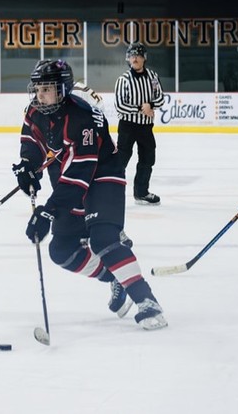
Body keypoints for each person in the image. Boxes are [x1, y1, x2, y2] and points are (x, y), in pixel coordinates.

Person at [12, 59, 167, 331]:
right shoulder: (35, 110)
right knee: (61, 250)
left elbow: (80, 174)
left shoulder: (82, 116)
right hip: (69, 177)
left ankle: (146, 301)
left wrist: (49, 211)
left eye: (46, 89)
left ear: (62, 89)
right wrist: (27, 166)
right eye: (37, 89)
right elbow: (32, 141)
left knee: (103, 238)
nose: (39, 95)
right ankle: (116, 277)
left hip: (103, 175)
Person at [114, 42, 165, 205]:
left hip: (146, 127)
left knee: (148, 158)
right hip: (127, 126)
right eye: (132, 56)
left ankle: (141, 192)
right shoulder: (123, 80)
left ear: (144, 58)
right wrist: (142, 108)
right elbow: (120, 105)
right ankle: (110, 191)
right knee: (121, 160)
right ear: (128, 59)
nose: (135, 58)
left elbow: (160, 98)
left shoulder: (153, 76)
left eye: (138, 55)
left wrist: (150, 105)